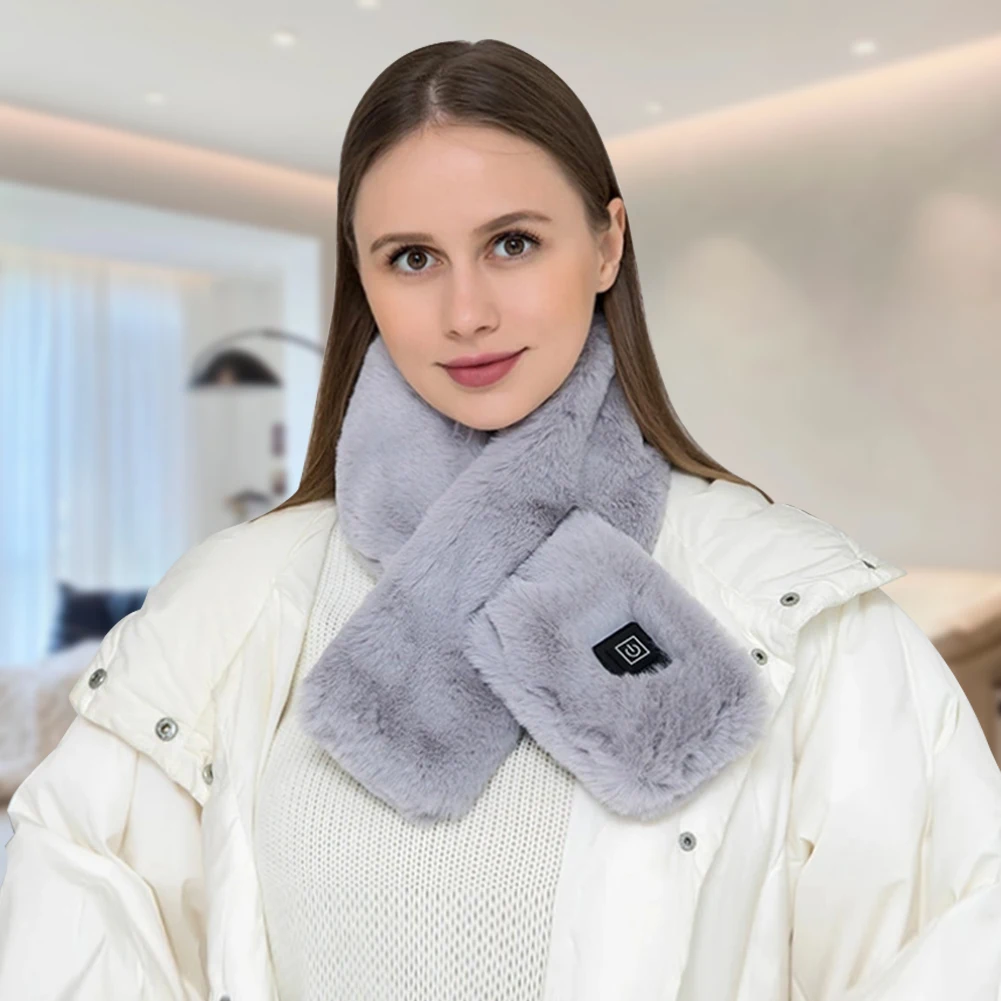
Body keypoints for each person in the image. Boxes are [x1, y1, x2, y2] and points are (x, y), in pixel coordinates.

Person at [2, 37, 1000, 1001]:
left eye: (511, 243)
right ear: (362, 278)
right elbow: (76, 915)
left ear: (605, 243)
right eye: (410, 258)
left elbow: (952, 937)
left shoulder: (797, 609)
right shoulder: (232, 600)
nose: (465, 311)